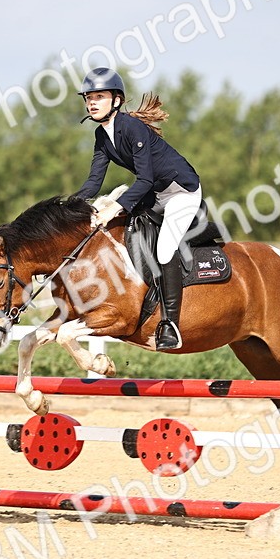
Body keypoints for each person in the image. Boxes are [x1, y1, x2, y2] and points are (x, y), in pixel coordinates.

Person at [73, 67, 202, 351]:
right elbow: (94, 183)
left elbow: (144, 178)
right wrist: (67, 206)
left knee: (165, 247)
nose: (91, 102)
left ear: (116, 100)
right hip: (154, 193)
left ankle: (170, 324)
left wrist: (113, 208)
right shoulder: (102, 135)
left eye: (99, 96)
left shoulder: (132, 128)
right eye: (88, 97)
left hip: (181, 191)